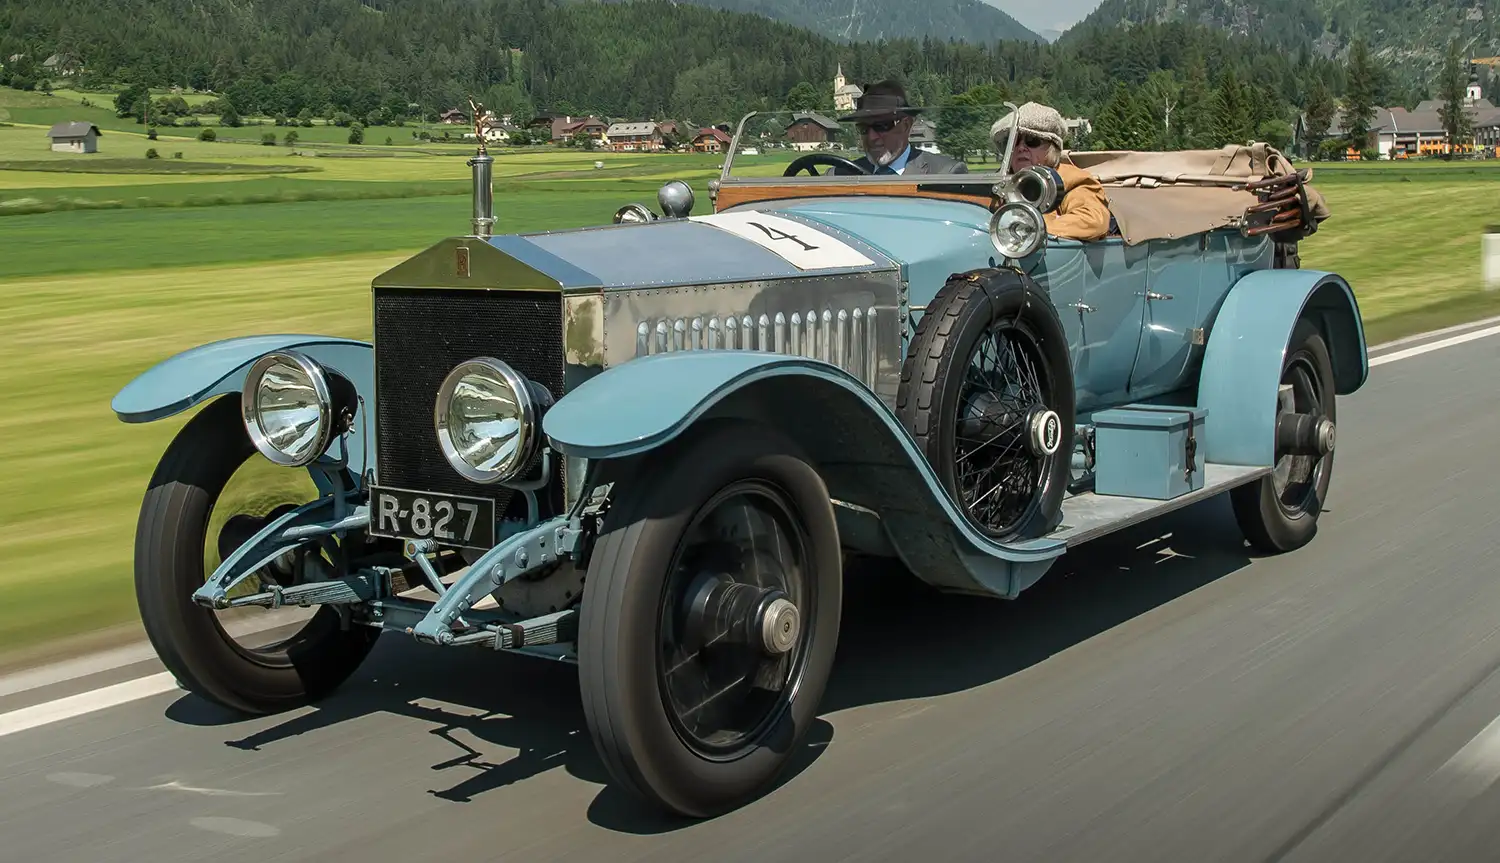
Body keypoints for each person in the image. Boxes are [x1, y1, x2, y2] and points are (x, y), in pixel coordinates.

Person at [991, 102, 1112, 242]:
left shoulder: (1072, 180)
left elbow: (1093, 220)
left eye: (1032, 141)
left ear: (1052, 149)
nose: (1021, 148)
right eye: (1013, 141)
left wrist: (1025, 229)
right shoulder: (998, 182)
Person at [832, 80, 969, 175]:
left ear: (906, 125)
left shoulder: (945, 174)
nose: (871, 137)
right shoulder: (838, 175)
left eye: (882, 126)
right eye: (863, 129)